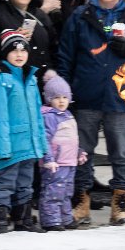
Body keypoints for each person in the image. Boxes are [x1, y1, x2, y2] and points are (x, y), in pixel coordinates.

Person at [57, 0, 125, 224]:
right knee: (81, 152)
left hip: (120, 96)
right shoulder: (81, 15)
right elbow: (65, 54)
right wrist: (64, 89)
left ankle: (121, 206)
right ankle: (81, 204)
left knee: (121, 153)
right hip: (86, 95)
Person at [0, 30, 48, 234]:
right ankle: (0, 221)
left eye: (23, 50)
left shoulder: (30, 78)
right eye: (13, 51)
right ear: (5, 54)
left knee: (25, 184)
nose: (19, 55)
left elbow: (37, 115)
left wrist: (41, 144)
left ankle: (23, 219)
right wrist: (1, 147)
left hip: (28, 145)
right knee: (3, 184)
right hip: (9, 145)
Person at [39, 73, 86, 231]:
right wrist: (48, 159)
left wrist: (79, 152)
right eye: (57, 97)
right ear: (49, 99)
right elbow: (45, 139)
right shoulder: (50, 117)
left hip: (69, 162)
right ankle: (51, 220)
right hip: (56, 163)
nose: (61, 101)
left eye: (65, 97)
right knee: (53, 191)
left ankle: (65, 217)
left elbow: (71, 139)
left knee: (66, 192)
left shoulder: (68, 115)